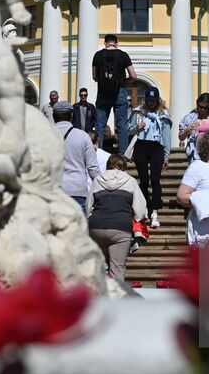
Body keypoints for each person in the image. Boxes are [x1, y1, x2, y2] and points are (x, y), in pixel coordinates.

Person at [86, 155, 148, 285]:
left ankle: (97, 300)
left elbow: (88, 207)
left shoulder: (97, 180)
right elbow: (141, 210)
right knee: (117, 268)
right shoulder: (130, 181)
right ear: (123, 167)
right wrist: (134, 218)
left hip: (96, 227)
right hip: (120, 228)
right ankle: (116, 302)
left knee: (98, 267)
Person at [129, 87, 173, 228]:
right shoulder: (138, 112)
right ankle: (143, 208)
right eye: (149, 100)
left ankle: (154, 211)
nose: (152, 103)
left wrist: (166, 156)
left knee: (155, 179)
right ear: (146, 100)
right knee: (144, 179)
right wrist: (137, 126)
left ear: (158, 100)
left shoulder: (163, 114)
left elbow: (166, 136)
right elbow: (129, 129)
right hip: (141, 146)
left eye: (154, 101)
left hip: (156, 148)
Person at [91, 33, 137, 153]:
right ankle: (123, 155)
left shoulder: (98, 55)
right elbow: (134, 75)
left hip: (102, 93)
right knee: (122, 125)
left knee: (100, 126)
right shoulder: (123, 55)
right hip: (120, 92)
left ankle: (98, 153)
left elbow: (94, 76)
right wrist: (124, 81)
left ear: (105, 43)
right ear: (116, 43)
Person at [53, 100, 100, 213]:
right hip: (77, 191)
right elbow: (93, 169)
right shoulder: (83, 136)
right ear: (71, 116)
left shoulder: (43, 136)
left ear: (53, 116)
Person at [178, 92, 209, 163]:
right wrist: (188, 129)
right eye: (200, 106)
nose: (202, 109)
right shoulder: (190, 118)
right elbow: (181, 137)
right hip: (196, 152)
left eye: (205, 108)